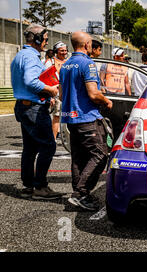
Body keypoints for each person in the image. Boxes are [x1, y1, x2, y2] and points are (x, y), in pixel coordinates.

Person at [59, 31, 113, 211]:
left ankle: (79, 193)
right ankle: (81, 193)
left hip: (71, 119)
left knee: (78, 157)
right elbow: (93, 93)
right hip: (87, 117)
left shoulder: (65, 65)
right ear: (87, 44)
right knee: (100, 154)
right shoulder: (88, 63)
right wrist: (106, 100)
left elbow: (60, 94)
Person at [10, 23, 62, 199]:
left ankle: (29, 186)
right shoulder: (32, 57)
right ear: (38, 39)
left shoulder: (20, 55)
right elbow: (31, 81)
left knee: (30, 148)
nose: (46, 43)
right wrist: (51, 89)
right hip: (33, 108)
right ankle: (40, 187)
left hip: (24, 106)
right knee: (48, 146)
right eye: (45, 39)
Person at [45, 41, 68, 140]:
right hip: (56, 93)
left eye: (65, 50)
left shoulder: (68, 62)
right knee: (57, 116)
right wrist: (50, 96)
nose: (64, 52)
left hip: (67, 93)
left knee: (69, 116)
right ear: (56, 51)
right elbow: (46, 80)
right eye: (61, 50)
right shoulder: (51, 62)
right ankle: (53, 140)